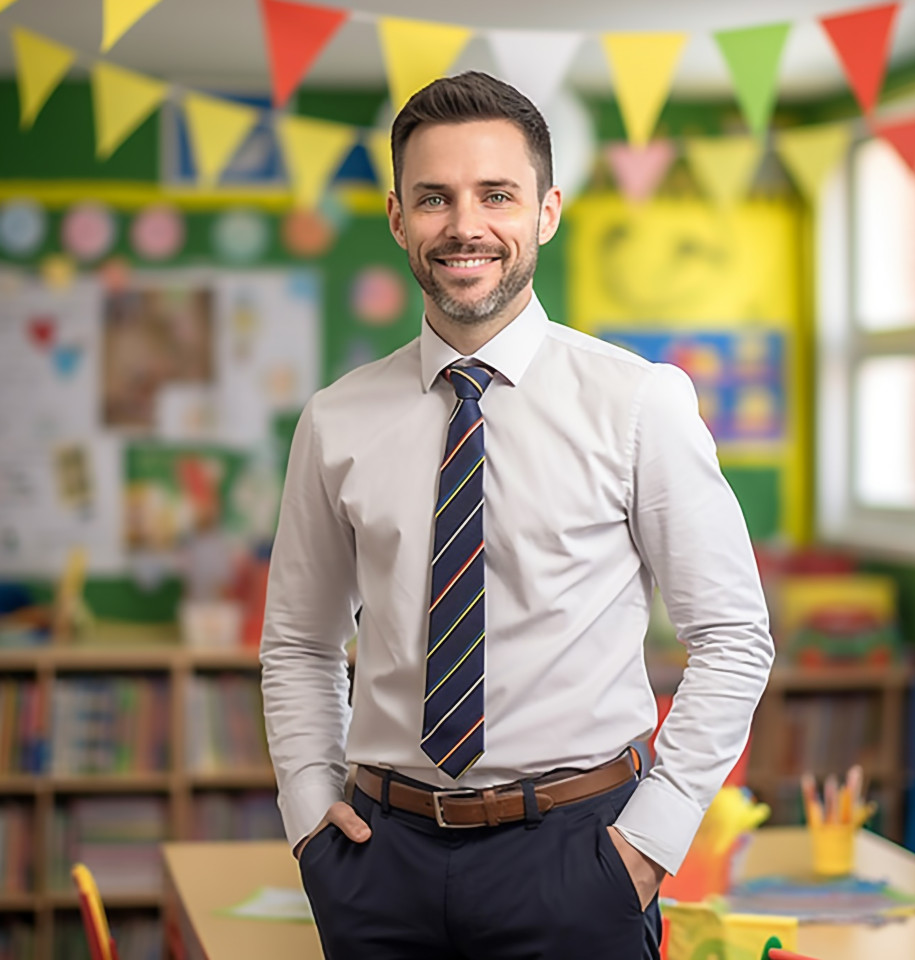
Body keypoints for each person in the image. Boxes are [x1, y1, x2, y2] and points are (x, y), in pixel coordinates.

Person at [260, 70, 774, 960]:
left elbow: (733, 635)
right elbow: (299, 644)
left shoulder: (638, 403)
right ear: (396, 218)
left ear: (546, 211)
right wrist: (309, 815)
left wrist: (649, 844)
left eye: (497, 194)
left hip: (582, 857)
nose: (466, 226)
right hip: (380, 865)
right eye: (435, 198)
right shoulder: (334, 420)